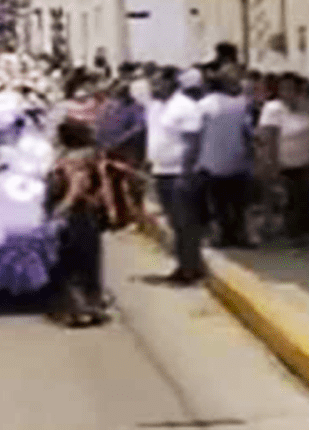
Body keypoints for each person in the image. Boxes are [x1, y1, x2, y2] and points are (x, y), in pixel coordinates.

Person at [145, 67, 206, 285]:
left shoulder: (186, 107)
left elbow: (193, 143)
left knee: (186, 223)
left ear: (172, 83)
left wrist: (187, 173)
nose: (153, 88)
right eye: (152, 83)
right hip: (161, 171)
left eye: (158, 83)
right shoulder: (155, 107)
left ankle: (190, 268)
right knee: (175, 223)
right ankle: (183, 265)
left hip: (180, 173)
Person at [46, 121, 109, 327]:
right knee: (90, 263)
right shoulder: (92, 156)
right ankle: (93, 306)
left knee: (71, 263)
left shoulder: (72, 160)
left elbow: (77, 186)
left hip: (76, 216)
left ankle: (78, 311)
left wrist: (62, 208)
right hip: (90, 214)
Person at [258, 73, 309, 244]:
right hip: (284, 161)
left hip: (307, 161)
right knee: (289, 199)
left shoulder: (307, 108)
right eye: (284, 88)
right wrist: (271, 162)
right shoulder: (273, 109)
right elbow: (269, 137)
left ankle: (304, 230)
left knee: (305, 197)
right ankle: (292, 233)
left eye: (292, 88)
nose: (288, 92)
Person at [197, 68, 255, 248]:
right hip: (238, 160)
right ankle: (241, 235)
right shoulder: (241, 104)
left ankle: (221, 236)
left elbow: (195, 133)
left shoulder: (202, 106)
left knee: (218, 203)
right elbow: (248, 132)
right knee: (238, 204)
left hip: (210, 162)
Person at [93, 83, 146, 229]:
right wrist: (100, 145)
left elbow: (139, 127)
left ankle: (139, 218)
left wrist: (120, 140)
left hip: (128, 152)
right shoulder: (107, 106)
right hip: (109, 151)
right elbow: (99, 125)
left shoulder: (135, 107)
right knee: (113, 186)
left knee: (132, 185)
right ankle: (123, 217)